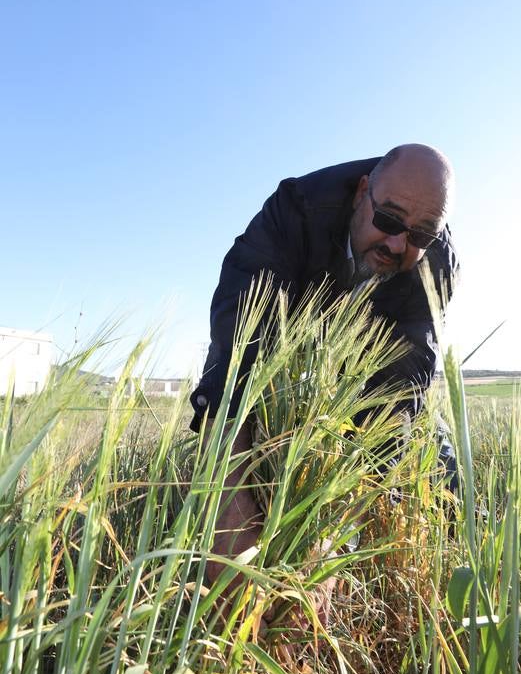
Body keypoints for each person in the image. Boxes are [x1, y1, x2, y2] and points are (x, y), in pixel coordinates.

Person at [190, 143, 459, 589]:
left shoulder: (434, 263)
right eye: (389, 220)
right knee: (239, 469)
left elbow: (396, 401)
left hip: (370, 370)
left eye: (419, 235)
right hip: (289, 362)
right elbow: (237, 353)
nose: (397, 244)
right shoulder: (295, 213)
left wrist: (330, 543)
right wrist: (231, 515)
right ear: (361, 193)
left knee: (437, 472)